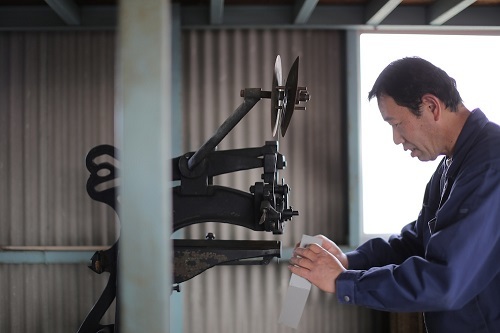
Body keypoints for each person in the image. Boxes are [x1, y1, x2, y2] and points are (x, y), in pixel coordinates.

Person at [288, 57, 500, 333]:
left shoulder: (489, 165)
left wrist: (345, 282)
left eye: (397, 123)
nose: (396, 139)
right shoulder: (451, 166)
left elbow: (445, 281)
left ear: (431, 106)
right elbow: (415, 244)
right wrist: (350, 261)